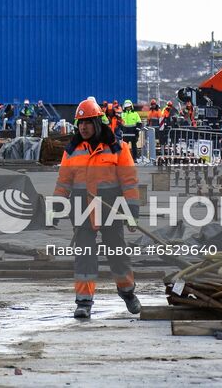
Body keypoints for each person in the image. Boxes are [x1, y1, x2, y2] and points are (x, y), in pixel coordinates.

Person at [53, 97, 142, 321]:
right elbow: (63, 182)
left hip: (111, 208)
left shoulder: (117, 148)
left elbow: (129, 182)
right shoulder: (72, 150)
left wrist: (131, 212)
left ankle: (128, 293)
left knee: (118, 255)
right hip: (81, 209)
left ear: (97, 122)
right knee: (84, 256)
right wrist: (56, 206)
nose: (82, 127)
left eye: (87, 122)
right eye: (80, 123)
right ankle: (83, 303)